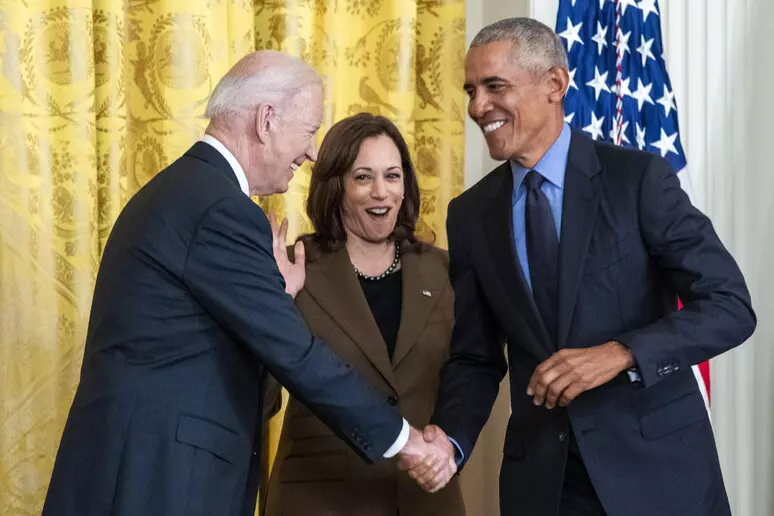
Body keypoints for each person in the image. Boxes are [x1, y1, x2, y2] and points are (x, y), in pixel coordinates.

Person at [41, 50, 453, 516]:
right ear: (267, 120)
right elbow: (294, 353)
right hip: (158, 476)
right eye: (309, 130)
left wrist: (278, 296)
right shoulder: (221, 208)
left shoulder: (188, 190)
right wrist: (404, 440)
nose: (312, 152)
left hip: (143, 468)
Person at [420, 17, 757, 516]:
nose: (476, 106)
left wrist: (622, 353)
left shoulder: (638, 180)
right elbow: (476, 357)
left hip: (659, 477)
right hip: (544, 487)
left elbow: (730, 306)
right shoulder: (469, 214)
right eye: (471, 91)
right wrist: (450, 440)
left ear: (554, 84)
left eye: (495, 87)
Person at [261, 113, 466, 516]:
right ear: (335, 187)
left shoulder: (443, 269)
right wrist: (278, 302)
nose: (381, 192)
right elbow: (261, 401)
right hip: (320, 501)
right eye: (362, 177)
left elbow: (470, 373)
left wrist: (449, 446)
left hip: (424, 499)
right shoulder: (293, 267)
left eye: (392, 176)